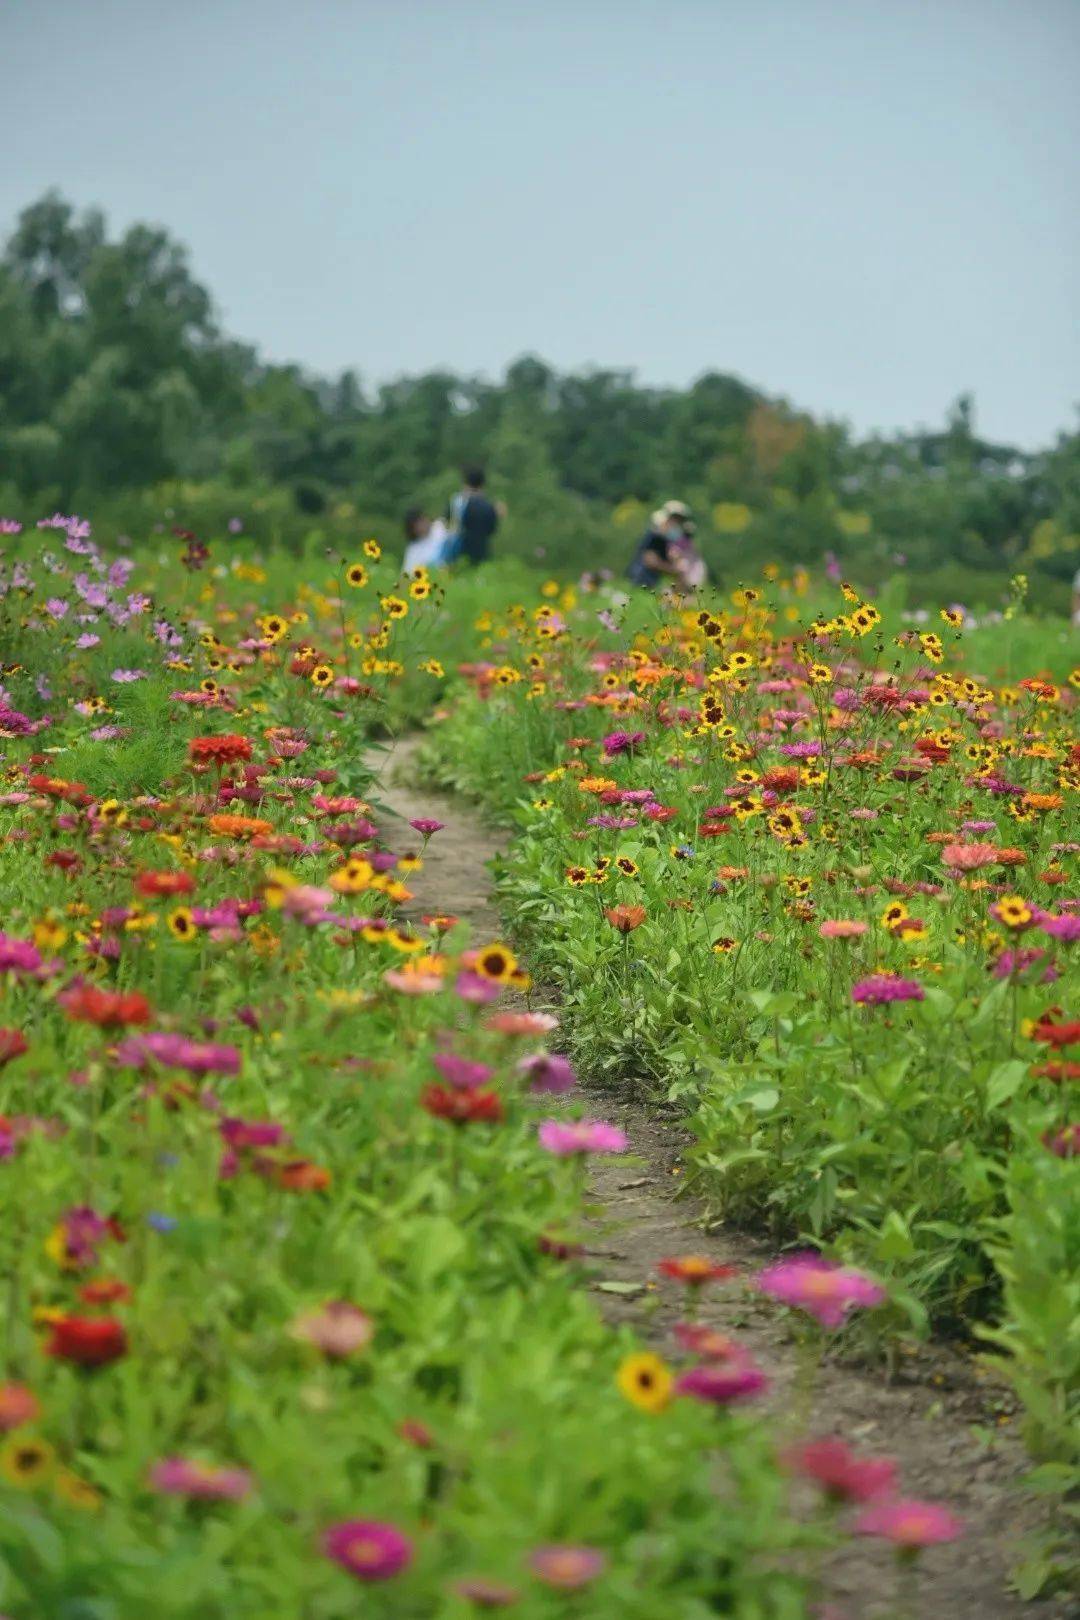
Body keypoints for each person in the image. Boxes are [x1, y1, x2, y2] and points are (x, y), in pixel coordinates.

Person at [628, 501, 704, 590]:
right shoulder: (654, 537)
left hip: (651, 584)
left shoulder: (666, 540)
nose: (676, 524)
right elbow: (650, 561)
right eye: (674, 519)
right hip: (640, 582)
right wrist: (674, 570)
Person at [448, 465, 499, 566]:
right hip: (482, 552)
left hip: (458, 553)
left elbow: (449, 525)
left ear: (465, 483)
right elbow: (492, 530)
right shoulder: (489, 506)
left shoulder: (457, 502)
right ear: (482, 484)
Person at [402, 507, 450, 571]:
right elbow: (407, 572)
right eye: (417, 524)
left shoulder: (441, 526)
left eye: (422, 520)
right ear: (413, 529)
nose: (422, 525)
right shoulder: (413, 549)